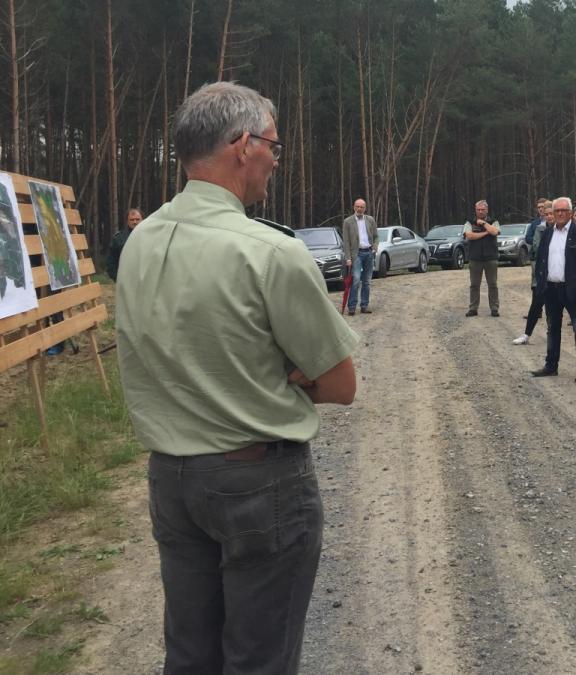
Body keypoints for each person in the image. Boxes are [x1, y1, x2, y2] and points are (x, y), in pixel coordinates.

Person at [116, 81, 358, 673]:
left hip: (170, 479)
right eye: (274, 146)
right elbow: (340, 385)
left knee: (190, 653)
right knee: (260, 658)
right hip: (258, 481)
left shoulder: (138, 244)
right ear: (243, 145)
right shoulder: (270, 251)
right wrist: (284, 372)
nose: (277, 160)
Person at [531, 197, 576, 382]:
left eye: (563, 210)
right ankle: (551, 365)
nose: (560, 214)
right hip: (551, 289)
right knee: (552, 327)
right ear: (552, 214)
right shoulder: (547, 234)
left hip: (573, 290)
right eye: (557, 211)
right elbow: (540, 260)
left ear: (570, 213)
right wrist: (541, 281)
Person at [514, 198, 550, 344]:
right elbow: (534, 249)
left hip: (558, 278)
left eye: (550, 213)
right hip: (541, 275)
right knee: (536, 305)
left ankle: (553, 335)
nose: (548, 215)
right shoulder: (538, 228)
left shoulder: (565, 230)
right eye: (546, 213)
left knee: (555, 310)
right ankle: (526, 335)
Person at [464, 199, 501, 317]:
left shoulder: (493, 221)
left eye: (482, 210)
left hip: (491, 258)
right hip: (475, 258)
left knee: (493, 284)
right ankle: (473, 308)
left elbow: (495, 232)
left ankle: (494, 308)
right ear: (475, 210)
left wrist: (484, 224)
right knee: (474, 285)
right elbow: (469, 235)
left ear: (487, 210)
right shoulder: (469, 222)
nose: (480, 212)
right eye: (478, 210)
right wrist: (485, 233)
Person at [341, 198, 378, 315]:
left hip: (369, 253)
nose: (359, 209)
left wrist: (375, 248)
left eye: (362, 207)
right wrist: (348, 258)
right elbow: (346, 241)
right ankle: (352, 307)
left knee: (366, 281)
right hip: (356, 254)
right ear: (354, 207)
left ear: (365, 208)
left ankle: (364, 306)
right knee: (356, 280)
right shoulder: (347, 222)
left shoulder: (370, 220)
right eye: (357, 206)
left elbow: (376, 236)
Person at [106, 207, 142, 281]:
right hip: (126, 281)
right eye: (132, 220)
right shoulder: (118, 239)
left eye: (137, 219)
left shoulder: (150, 236)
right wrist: (118, 279)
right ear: (127, 221)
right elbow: (111, 262)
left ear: (143, 220)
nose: (135, 222)